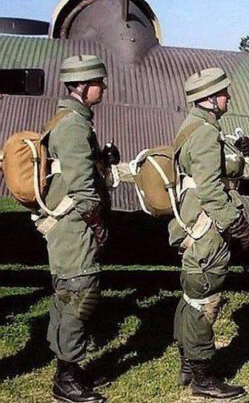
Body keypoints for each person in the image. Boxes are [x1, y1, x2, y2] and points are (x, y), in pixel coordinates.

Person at [171, 67, 249, 400]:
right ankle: (203, 377)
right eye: (223, 92)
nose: (228, 97)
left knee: (191, 295)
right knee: (205, 298)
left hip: (194, 221)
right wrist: (238, 227)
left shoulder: (198, 126)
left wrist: (240, 153)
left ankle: (188, 364)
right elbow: (209, 187)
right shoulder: (206, 133)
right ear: (208, 98)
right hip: (208, 225)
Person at [45, 54, 118, 403]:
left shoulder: (72, 120)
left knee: (67, 294)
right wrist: (98, 223)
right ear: (83, 86)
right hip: (75, 225)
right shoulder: (73, 125)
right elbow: (81, 187)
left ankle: (66, 368)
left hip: (69, 225)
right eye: (99, 82)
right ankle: (67, 378)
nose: (103, 87)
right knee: (80, 294)